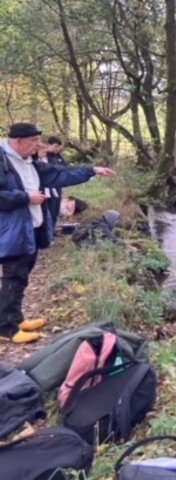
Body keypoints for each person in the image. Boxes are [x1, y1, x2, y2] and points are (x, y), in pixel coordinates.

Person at [0, 122, 115, 344]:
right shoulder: (3, 161)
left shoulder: (29, 160)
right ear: (18, 141)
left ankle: (15, 318)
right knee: (13, 276)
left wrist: (91, 171)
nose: (38, 145)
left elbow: (59, 175)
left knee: (22, 276)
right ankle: (5, 329)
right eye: (34, 141)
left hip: (31, 228)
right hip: (12, 231)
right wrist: (25, 198)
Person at [45, 137, 67, 229]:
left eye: (58, 147)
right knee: (50, 209)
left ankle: (53, 229)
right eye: (55, 146)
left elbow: (65, 167)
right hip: (49, 187)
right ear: (48, 145)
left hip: (58, 185)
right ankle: (48, 231)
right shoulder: (44, 156)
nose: (57, 149)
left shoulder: (57, 156)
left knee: (55, 208)